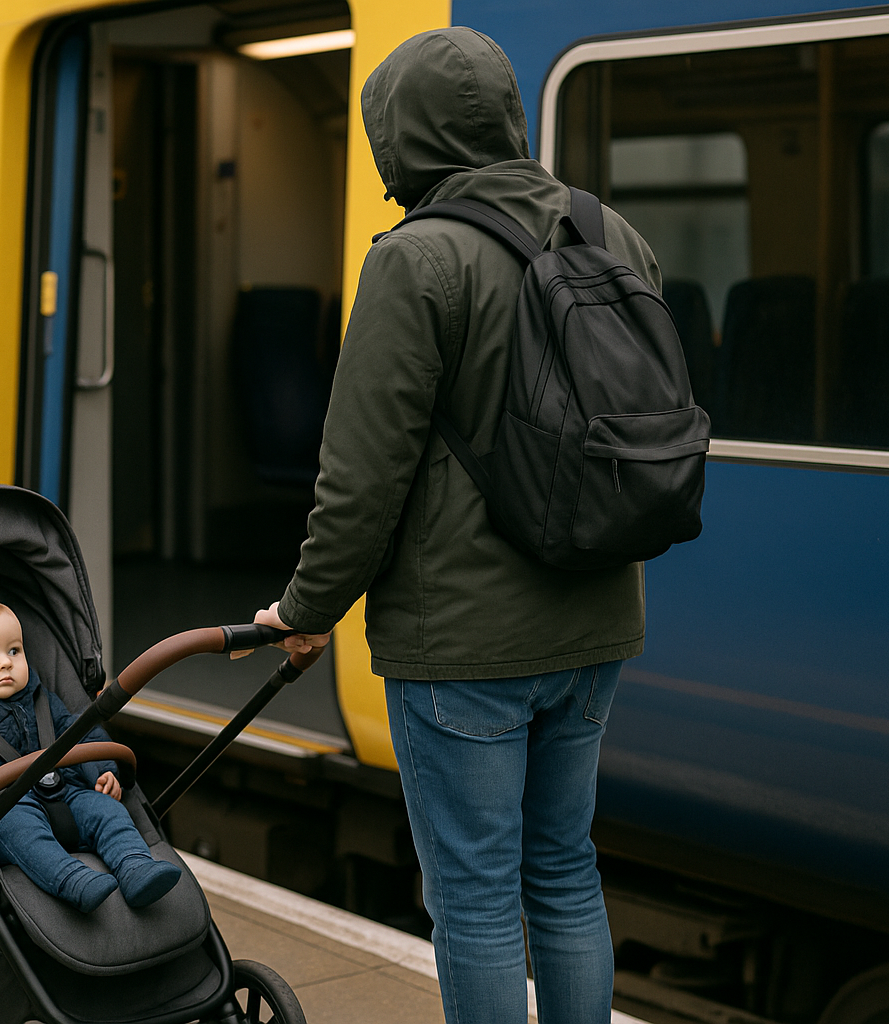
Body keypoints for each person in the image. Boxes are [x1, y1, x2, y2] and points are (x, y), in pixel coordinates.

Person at [246, 27, 659, 1024]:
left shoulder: (416, 260)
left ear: (404, 139)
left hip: (465, 641)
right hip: (598, 616)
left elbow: (359, 480)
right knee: (564, 869)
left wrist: (307, 609)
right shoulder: (613, 232)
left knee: (475, 895)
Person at [0, 597, 181, 912]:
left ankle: (135, 866)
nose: (5, 662)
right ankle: (71, 880)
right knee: (20, 829)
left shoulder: (41, 699)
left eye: (14, 650)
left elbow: (81, 734)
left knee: (109, 812)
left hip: (68, 793)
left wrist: (103, 771)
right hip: (5, 807)